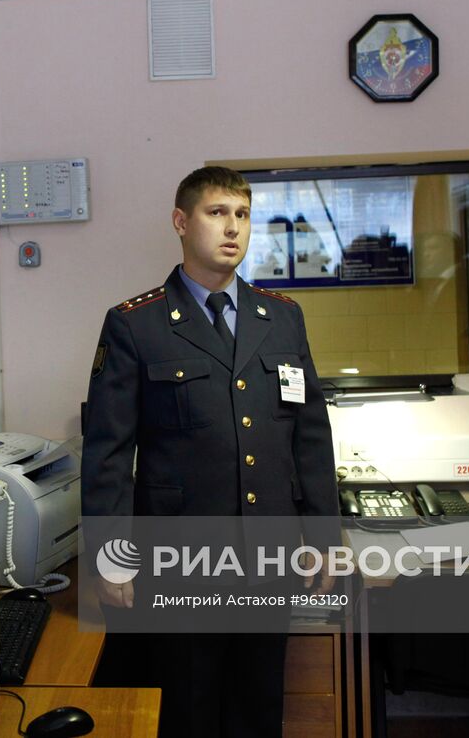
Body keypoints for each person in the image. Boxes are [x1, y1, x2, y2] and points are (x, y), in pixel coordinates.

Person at [83, 166, 337, 738]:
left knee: (257, 705)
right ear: (180, 221)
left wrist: (324, 538)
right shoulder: (137, 325)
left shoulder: (282, 318)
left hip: (268, 556)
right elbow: (108, 452)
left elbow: (311, 436)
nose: (233, 229)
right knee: (187, 709)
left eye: (242, 215)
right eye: (217, 213)